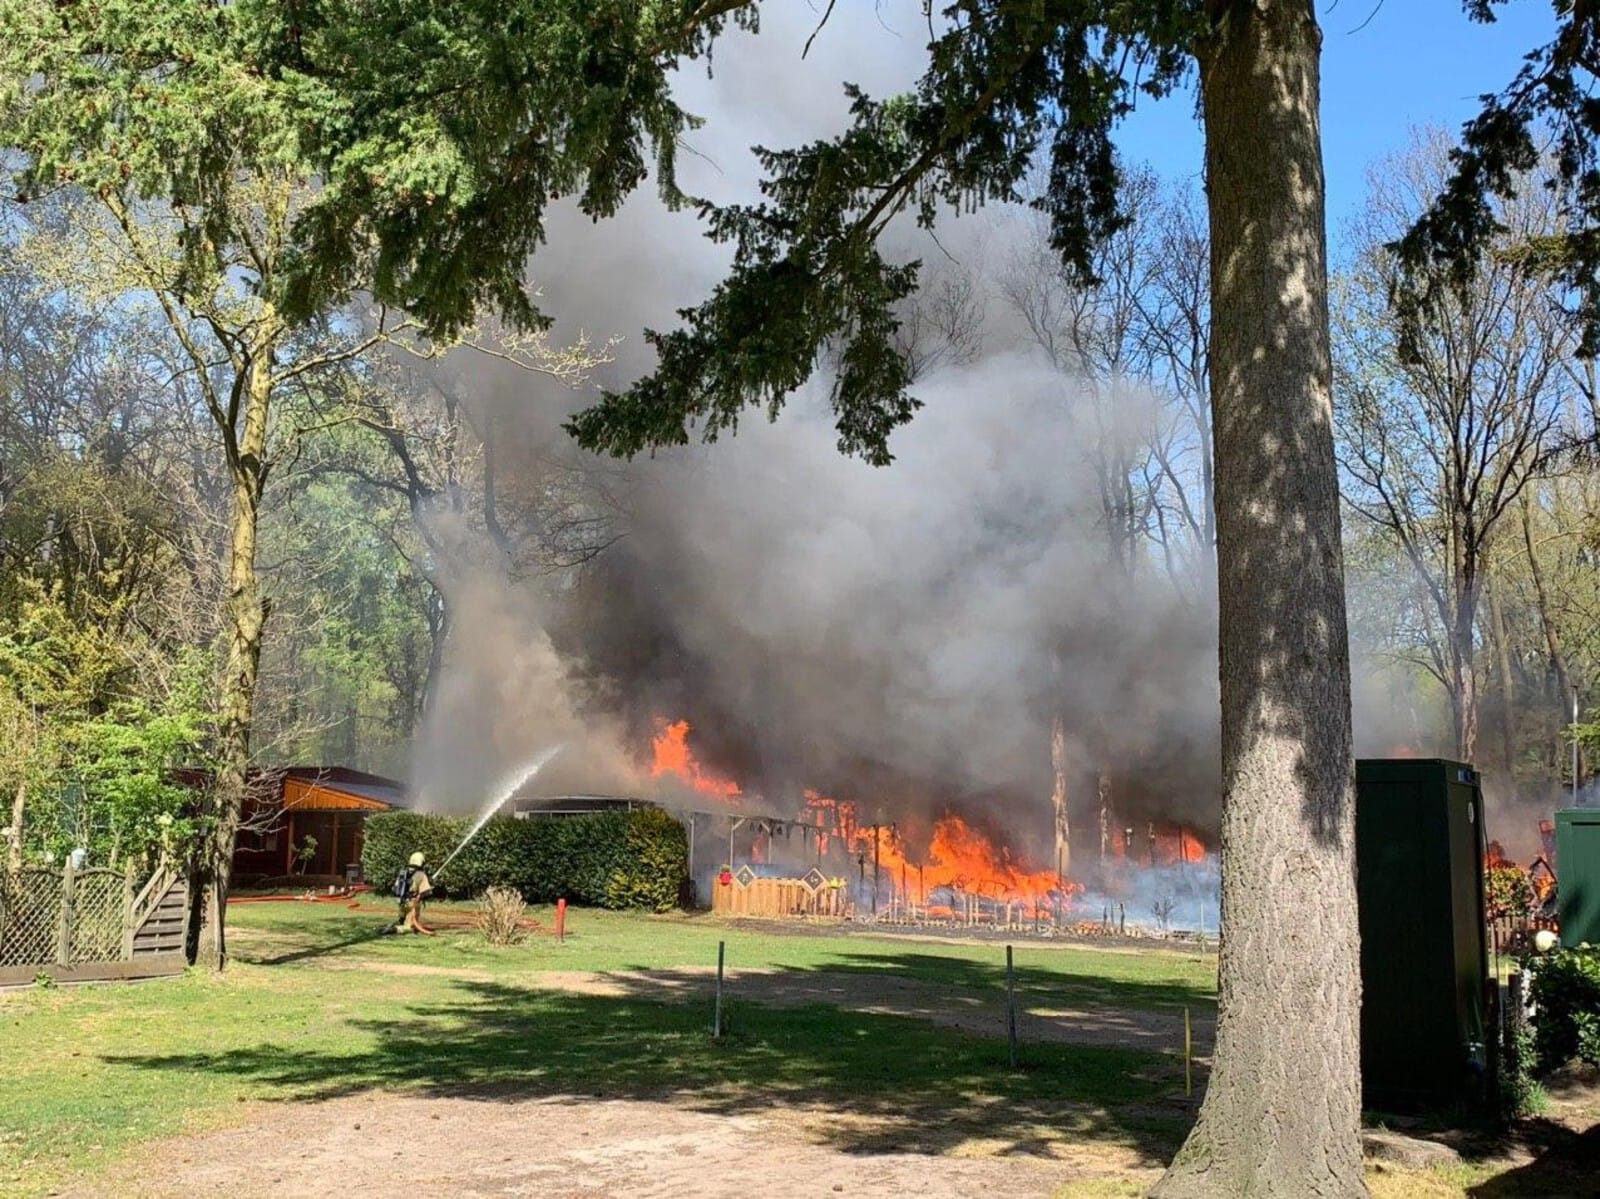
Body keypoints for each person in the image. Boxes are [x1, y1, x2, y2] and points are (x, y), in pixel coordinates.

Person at [393, 851, 436, 936]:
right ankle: (395, 929)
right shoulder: (421, 875)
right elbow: (426, 893)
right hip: (412, 903)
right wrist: (431, 885)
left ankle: (401, 922)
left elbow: (395, 888)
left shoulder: (404, 872)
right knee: (410, 926)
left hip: (402, 902)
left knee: (402, 919)